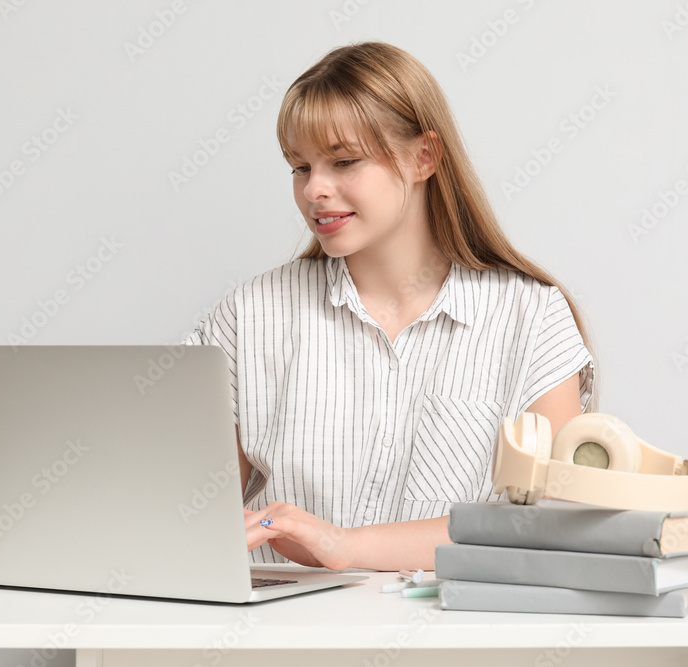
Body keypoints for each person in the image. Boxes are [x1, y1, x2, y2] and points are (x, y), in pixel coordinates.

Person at [181, 42, 595, 572]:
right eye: (299, 167)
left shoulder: (531, 317)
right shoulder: (249, 315)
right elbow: (184, 513)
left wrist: (345, 547)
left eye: (344, 161)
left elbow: (555, 527)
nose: (314, 190)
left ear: (424, 156)